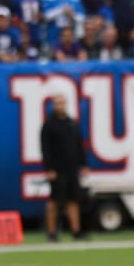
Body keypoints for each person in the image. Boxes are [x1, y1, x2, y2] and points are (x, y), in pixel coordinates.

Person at [40, 94, 88, 241]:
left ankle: (76, 231)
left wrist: (83, 164)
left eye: (62, 103)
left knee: (73, 200)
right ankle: (51, 232)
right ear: (53, 105)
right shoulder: (49, 125)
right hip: (57, 169)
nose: (60, 106)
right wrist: (49, 169)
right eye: (57, 103)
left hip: (71, 168)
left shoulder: (72, 123)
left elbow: (79, 145)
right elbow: (45, 148)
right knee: (54, 201)